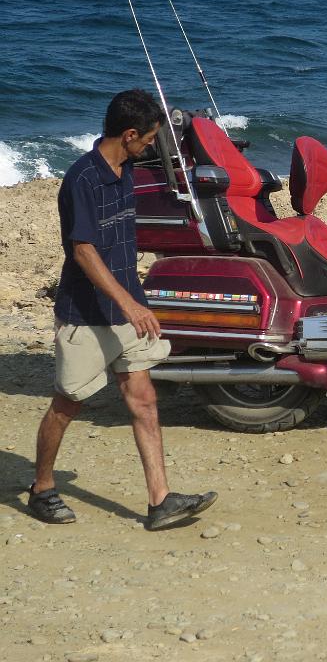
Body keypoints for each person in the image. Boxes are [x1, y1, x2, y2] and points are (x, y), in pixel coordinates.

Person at [27, 89, 216, 531]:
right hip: (88, 312)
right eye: (148, 138)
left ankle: (160, 501)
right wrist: (129, 302)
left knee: (144, 400)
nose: (150, 145)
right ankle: (40, 487)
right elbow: (84, 251)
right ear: (129, 134)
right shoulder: (82, 179)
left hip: (129, 307)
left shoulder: (126, 167)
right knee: (68, 403)